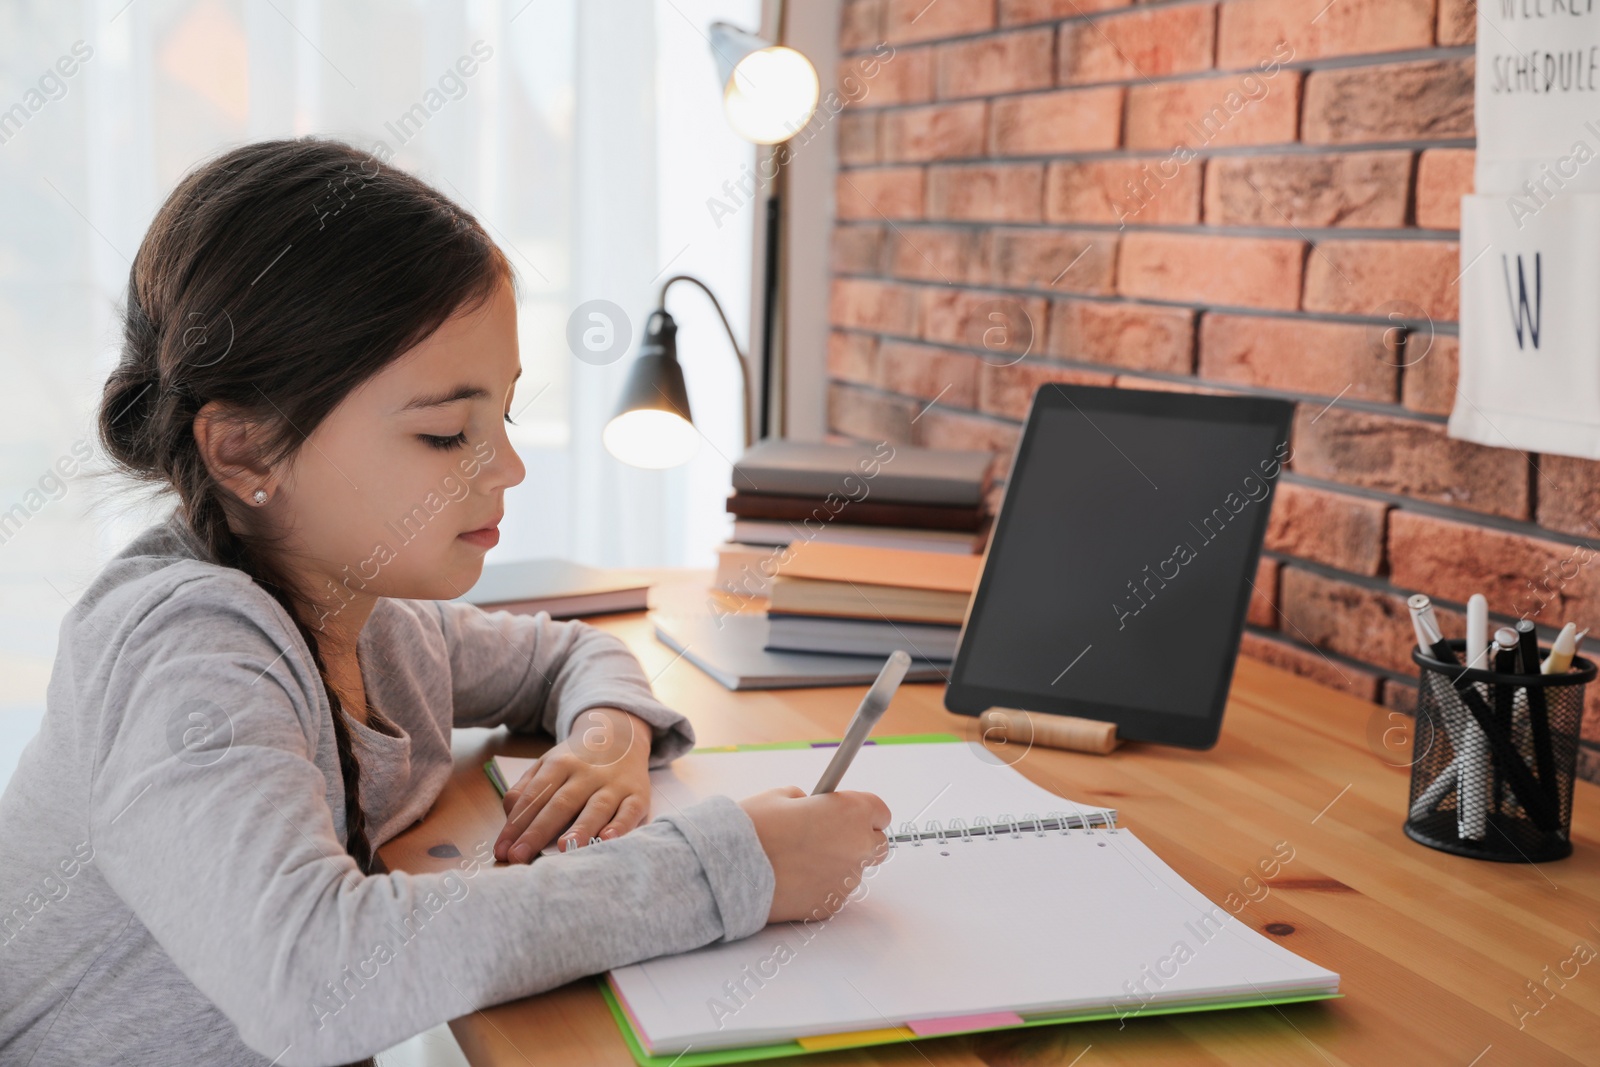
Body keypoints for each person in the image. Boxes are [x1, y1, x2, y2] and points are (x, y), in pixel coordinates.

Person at [0, 138, 890, 1067]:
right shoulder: (186, 654)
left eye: (502, 415)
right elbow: (311, 979)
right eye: (443, 433)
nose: (506, 466)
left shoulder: (373, 624)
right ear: (246, 451)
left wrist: (608, 739)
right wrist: (732, 866)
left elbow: (560, 655)